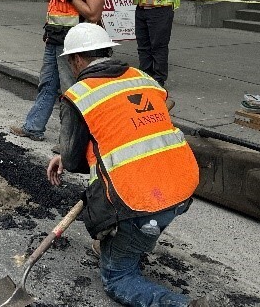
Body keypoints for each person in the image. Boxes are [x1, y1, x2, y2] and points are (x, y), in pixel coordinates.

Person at [47, 23, 202, 307]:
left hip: (142, 200)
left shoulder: (79, 95)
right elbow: (131, 126)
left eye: (69, 61)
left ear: (76, 59)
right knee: (122, 234)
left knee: (117, 277)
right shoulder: (143, 78)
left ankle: (177, 303)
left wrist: (67, 156)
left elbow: (72, 159)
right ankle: (136, 239)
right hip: (182, 184)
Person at [10, 0, 107, 141]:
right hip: (56, 39)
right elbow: (58, 8)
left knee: (71, 92)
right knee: (47, 84)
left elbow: (93, 13)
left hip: (73, 45)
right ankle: (33, 127)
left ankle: (71, 144)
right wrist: (49, 31)